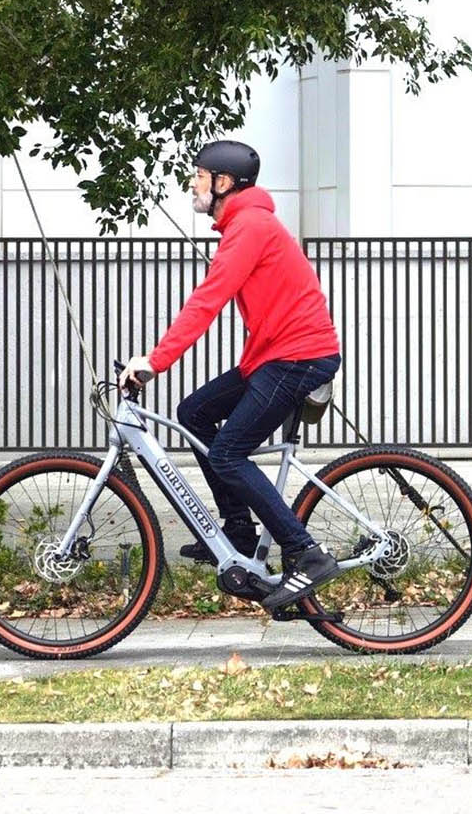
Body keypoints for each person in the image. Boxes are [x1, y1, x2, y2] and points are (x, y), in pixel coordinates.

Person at [123, 140, 344, 614]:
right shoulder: (244, 225)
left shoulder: (249, 228)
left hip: (297, 357)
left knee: (228, 454)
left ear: (223, 183)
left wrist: (154, 361)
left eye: (199, 176)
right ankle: (237, 532)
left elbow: (208, 301)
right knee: (194, 412)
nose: (193, 184)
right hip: (274, 356)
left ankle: (306, 552)